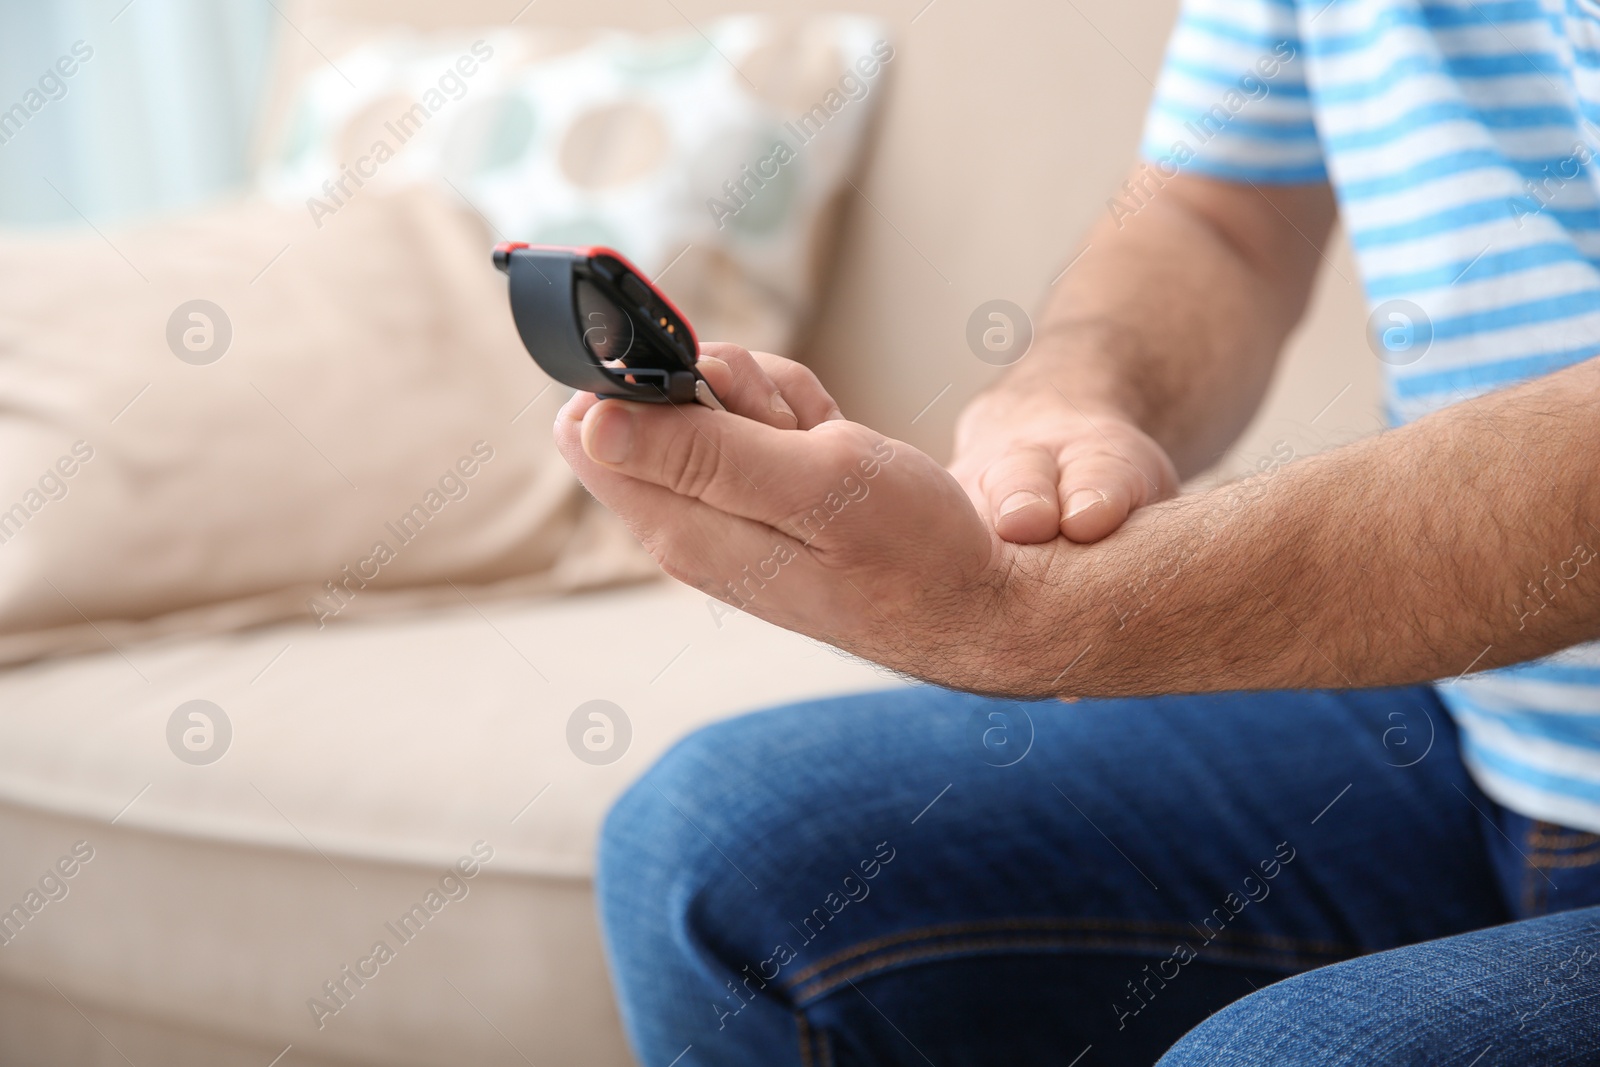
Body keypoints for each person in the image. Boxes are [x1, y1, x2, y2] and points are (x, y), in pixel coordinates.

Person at [554, 1, 1600, 1062]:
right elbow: (1217, 218)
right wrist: (1070, 397)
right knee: (716, 850)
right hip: (1481, 731)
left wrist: (1050, 619)